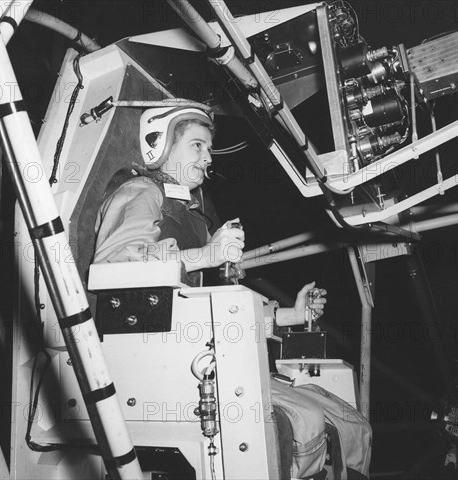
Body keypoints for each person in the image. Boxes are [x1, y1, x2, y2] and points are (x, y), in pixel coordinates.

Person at [93, 105, 370, 479]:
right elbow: (113, 265)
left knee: (350, 422)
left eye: (208, 148)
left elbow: (220, 305)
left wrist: (290, 315)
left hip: (202, 349)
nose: (207, 158)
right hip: (160, 356)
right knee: (307, 419)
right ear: (160, 146)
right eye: (197, 146)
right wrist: (204, 254)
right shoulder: (142, 191)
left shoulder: (194, 216)